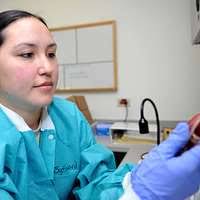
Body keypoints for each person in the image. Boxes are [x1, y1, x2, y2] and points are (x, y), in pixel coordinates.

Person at [0, 9, 200, 200]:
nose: (47, 67)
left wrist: (135, 181)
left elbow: (95, 182)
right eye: (27, 54)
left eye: (51, 54)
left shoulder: (68, 115)